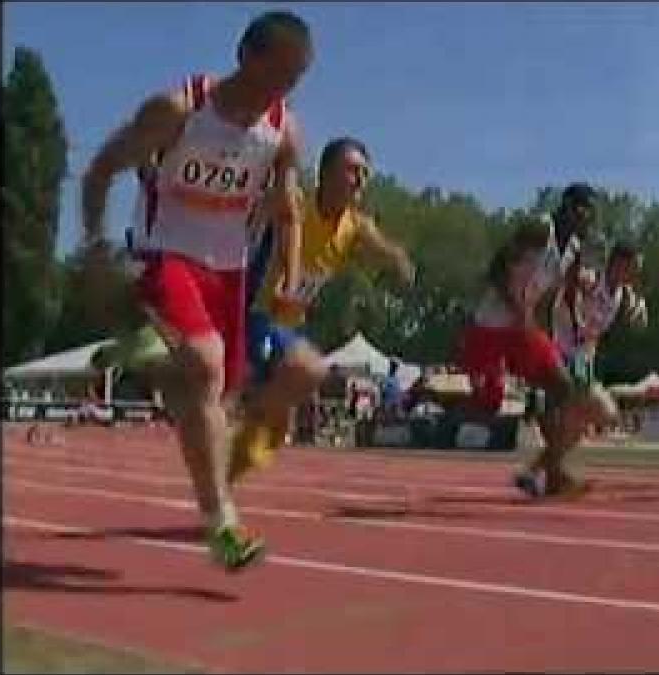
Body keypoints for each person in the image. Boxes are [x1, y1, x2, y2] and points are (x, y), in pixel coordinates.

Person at [81, 10, 313, 570]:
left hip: (229, 272)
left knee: (212, 398)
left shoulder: (284, 130)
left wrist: (289, 272)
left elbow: (289, 205)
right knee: (205, 365)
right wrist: (94, 245)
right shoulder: (178, 109)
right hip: (167, 253)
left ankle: (151, 354)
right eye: (273, 75)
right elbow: (100, 170)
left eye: (292, 81)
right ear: (245, 56)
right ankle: (223, 526)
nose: (277, 91)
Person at [227, 136, 414, 482]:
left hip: (291, 323)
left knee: (279, 420)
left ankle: (225, 481)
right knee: (305, 372)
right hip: (257, 313)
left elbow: (384, 247)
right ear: (326, 174)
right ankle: (237, 406)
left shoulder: (355, 225)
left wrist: (399, 261)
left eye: (365, 174)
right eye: (353, 170)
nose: (360, 179)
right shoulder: (295, 203)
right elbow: (258, 214)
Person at [457, 183, 598, 498]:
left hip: (523, 328)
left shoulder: (573, 250)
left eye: (589, 211)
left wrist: (547, 335)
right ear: (565, 206)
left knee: (565, 391)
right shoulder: (538, 229)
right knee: (487, 404)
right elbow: (496, 270)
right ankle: (550, 472)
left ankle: (551, 473)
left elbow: (552, 296)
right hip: (491, 325)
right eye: (579, 207)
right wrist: (517, 309)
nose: (584, 216)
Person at [514, 241, 649, 493]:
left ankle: (538, 474)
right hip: (564, 357)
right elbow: (558, 291)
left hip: (584, 362)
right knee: (605, 411)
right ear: (618, 263)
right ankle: (543, 473)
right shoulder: (589, 279)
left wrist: (634, 314)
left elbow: (610, 325)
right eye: (633, 267)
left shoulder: (622, 295)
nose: (635, 274)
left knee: (573, 429)